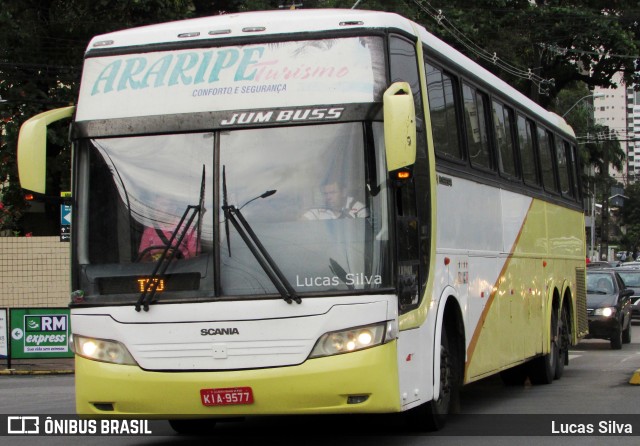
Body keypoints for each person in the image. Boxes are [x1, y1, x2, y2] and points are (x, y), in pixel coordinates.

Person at [302, 180, 368, 220]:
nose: (328, 197)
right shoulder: (320, 208)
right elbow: (303, 222)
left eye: (332, 193)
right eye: (325, 194)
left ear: (343, 192)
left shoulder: (357, 208)